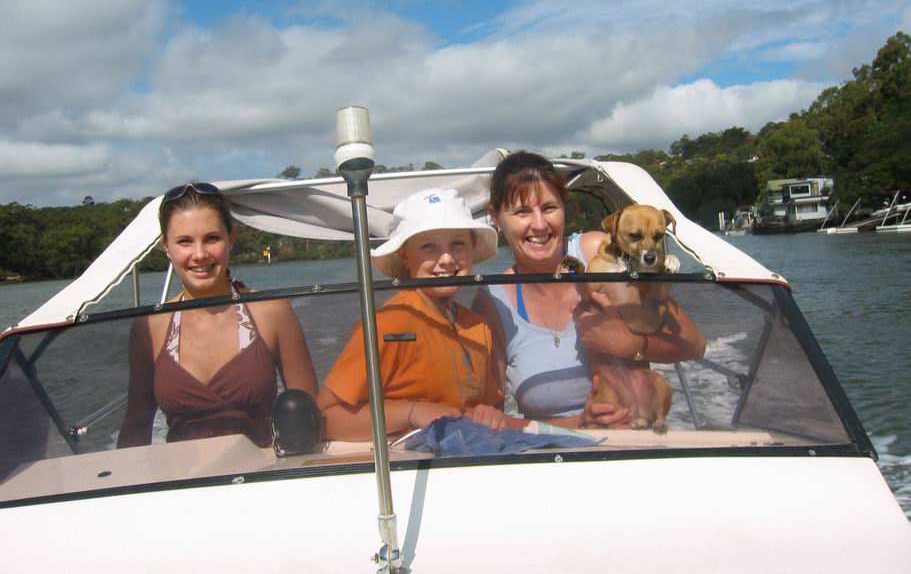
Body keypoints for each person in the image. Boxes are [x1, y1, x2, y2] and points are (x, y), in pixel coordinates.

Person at [473, 151, 705, 428]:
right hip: (553, 447)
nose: (539, 224)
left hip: (636, 436)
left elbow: (694, 345)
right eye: (522, 212)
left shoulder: (600, 251)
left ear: (564, 207)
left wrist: (635, 345)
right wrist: (580, 423)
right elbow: (493, 421)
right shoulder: (492, 300)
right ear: (496, 218)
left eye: (549, 208)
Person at [118, 182, 318, 448]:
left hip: (263, 471)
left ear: (231, 238)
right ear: (166, 246)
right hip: (180, 474)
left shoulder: (271, 310)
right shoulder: (150, 325)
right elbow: (136, 426)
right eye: (184, 241)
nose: (200, 254)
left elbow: (311, 411)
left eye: (212, 238)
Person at [317, 188, 508, 441]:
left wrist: (489, 414)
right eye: (429, 246)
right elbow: (323, 418)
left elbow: (491, 407)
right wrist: (412, 412)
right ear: (405, 254)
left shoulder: (478, 326)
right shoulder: (386, 326)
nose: (446, 259)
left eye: (458, 244)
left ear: (473, 247)